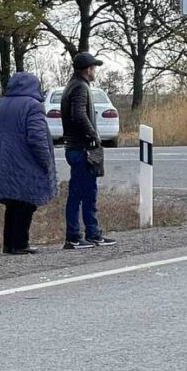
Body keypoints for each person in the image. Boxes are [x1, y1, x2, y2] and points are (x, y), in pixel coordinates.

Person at [0, 72, 57, 255]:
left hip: (3, 160)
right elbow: (37, 138)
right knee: (26, 203)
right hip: (25, 162)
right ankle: (20, 244)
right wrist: (46, 161)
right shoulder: (33, 106)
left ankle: (9, 244)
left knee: (12, 203)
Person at [61, 51, 117, 249]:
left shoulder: (71, 86)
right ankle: (76, 236)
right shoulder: (81, 87)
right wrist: (93, 135)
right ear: (88, 69)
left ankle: (90, 233)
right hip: (81, 148)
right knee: (82, 193)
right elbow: (78, 114)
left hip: (74, 147)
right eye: (93, 67)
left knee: (83, 191)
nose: (95, 71)